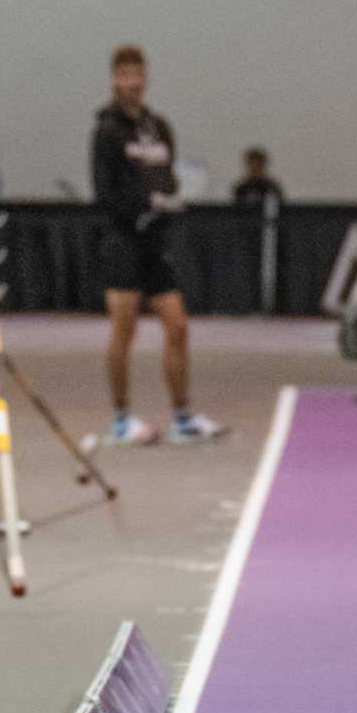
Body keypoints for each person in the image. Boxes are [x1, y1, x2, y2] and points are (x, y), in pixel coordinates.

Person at [93, 45, 223, 444]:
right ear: (115, 79)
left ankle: (183, 418)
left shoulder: (158, 127)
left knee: (178, 325)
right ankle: (121, 420)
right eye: (125, 75)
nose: (132, 82)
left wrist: (167, 199)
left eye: (138, 74)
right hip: (122, 241)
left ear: (145, 78)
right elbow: (104, 191)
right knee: (124, 329)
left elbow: (169, 177)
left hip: (157, 242)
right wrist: (141, 205)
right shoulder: (107, 130)